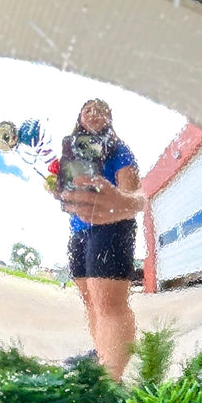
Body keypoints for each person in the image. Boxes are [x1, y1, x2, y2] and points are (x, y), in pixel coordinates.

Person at [55, 99, 144, 381]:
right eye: (88, 109)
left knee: (110, 306)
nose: (94, 113)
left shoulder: (119, 149)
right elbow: (70, 191)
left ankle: (110, 383)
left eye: (101, 110)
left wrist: (120, 203)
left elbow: (137, 198)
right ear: (79, 116)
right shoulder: (72, 152)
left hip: (112, 227)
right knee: (91, 302)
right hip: (79, 231)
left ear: (110, 118)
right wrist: (59, 193)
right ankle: (100, 353)